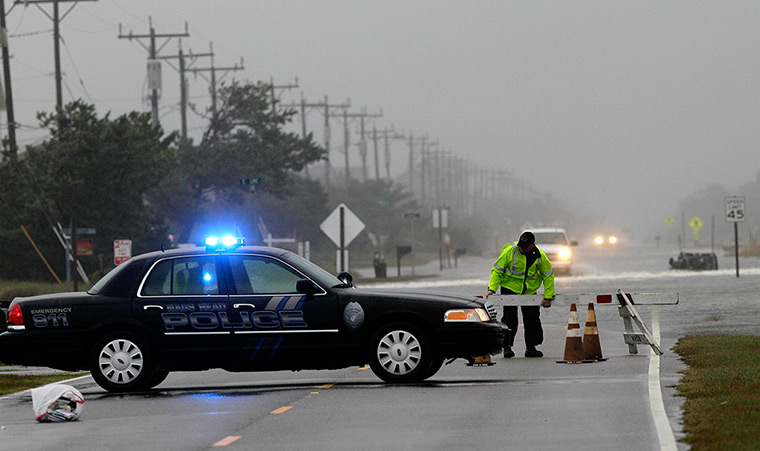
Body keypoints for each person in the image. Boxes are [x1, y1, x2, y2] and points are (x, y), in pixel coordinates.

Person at [483, 231, 555, 358]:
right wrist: (491, 289)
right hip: (509, 288)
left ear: (532, 245)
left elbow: (548, 275)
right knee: (510, 318)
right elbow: (497, 270)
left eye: (524, 247)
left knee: (532, 318)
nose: (521, 249)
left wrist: (548, 297)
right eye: (520, 245)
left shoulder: (540, 256)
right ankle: (507, 347)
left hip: (529, 291)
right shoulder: (510, 251)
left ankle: (531, 348)